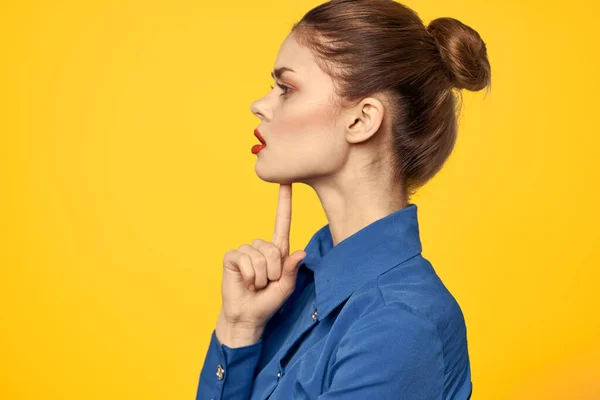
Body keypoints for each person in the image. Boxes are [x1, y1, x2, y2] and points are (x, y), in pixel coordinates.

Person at [196, 0, 491, 398]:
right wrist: (238, 328)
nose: (260, 105)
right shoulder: (296, 291)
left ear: (361, 120)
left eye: (286, 88)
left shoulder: (400, 324)